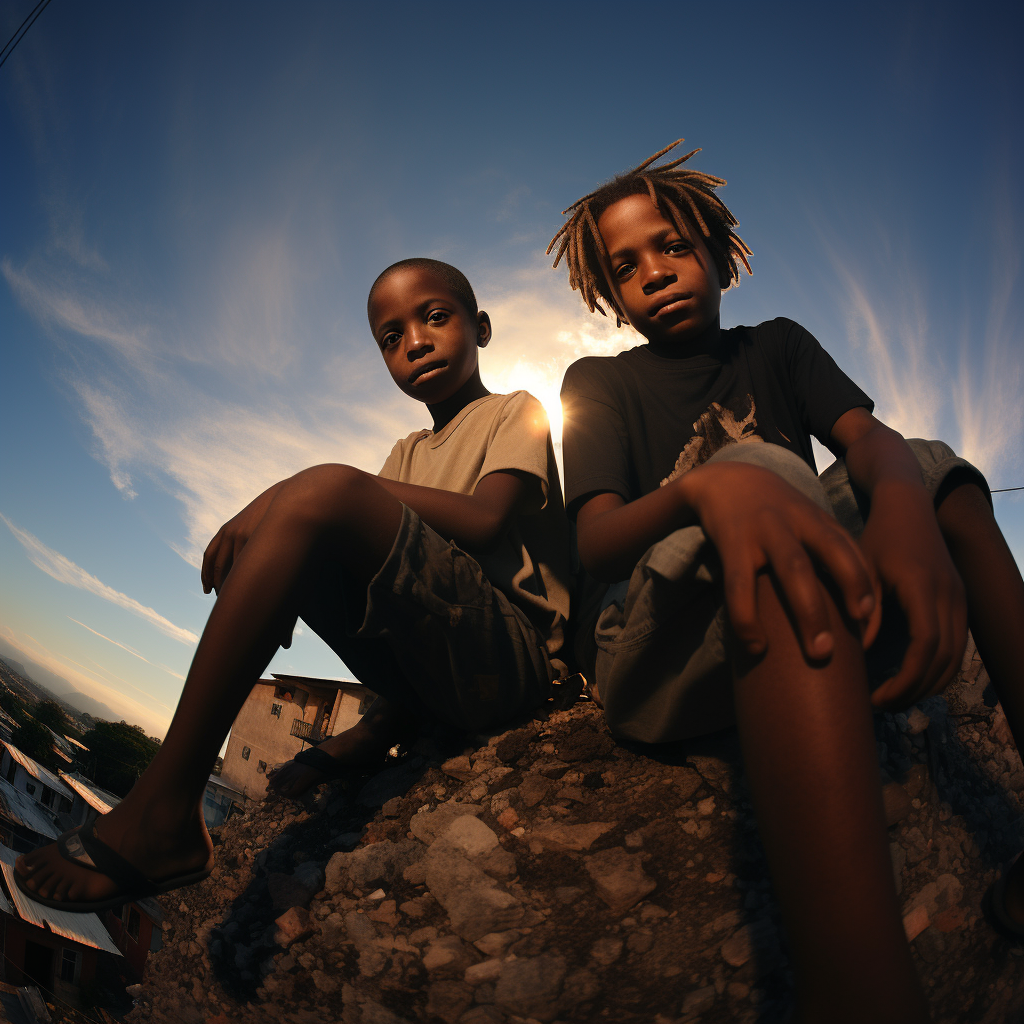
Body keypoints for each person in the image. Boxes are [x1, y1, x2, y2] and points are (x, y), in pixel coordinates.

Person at [550, 140, 1024, 1024]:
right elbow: (600, 542)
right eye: (626, 267)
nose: (654, 273)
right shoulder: (600, 384)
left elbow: (873, 446)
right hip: (658, 649)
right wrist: (704, 486)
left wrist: (911, 516)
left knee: (931, 466)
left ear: (722, 251)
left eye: (673, 246)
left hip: (801, 596)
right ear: (608, 297)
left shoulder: (778, 347)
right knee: (763, 471)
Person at [15, 257, 571, 912]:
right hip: (434, 685)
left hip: (511, 670)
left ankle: (161, 809)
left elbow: (482, 523)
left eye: (435, 317)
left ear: (480, 327)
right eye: (390, 337)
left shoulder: (516, 412)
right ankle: (172, 803)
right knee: (311, 523)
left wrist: (293, 490)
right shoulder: (407, 453)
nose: (414, 341)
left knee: (322, 492)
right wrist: (363, 736)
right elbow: (408, 596)